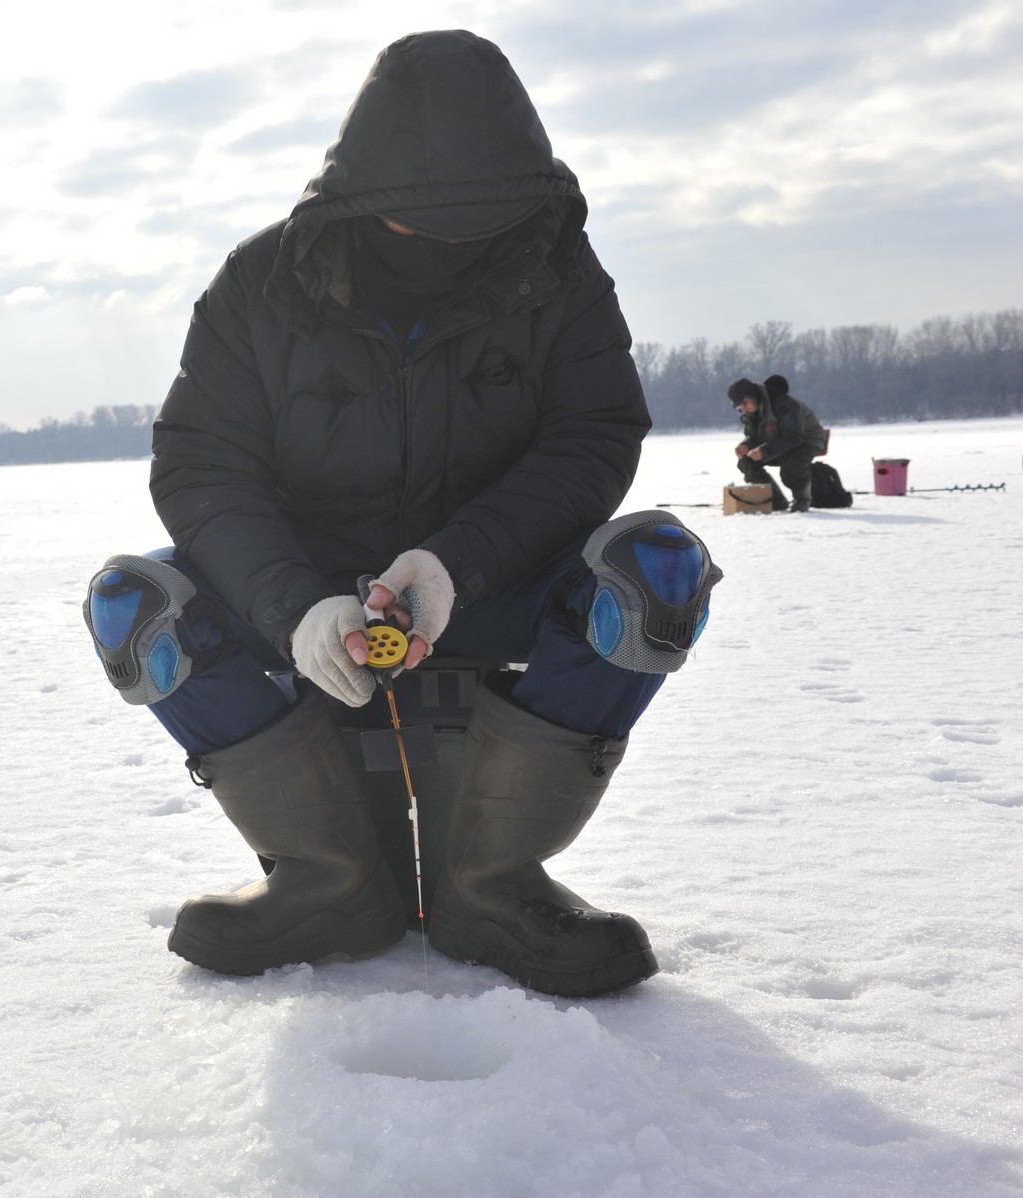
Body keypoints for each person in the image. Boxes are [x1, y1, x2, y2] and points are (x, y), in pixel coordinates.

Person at [82, 31, 721, 998]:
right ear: (361, 199)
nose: (451, 247)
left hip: (490, 579)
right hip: (311, 594)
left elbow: (593, 436)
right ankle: (326, 882)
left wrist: (457, 563)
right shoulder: (259, 284)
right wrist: (295, 605)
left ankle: (493, 888)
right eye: (418, 226)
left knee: (655, 574)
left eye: (483, 223)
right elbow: (203, 464)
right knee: (137, 605)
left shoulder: (559, 269)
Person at [728, 374, 828, 512]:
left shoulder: (783, 403)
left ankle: (802, 499)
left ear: (753, 395)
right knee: (746, 462)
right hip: (779, 441)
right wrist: (747, 445)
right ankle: (775, 501)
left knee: (791, 464)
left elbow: (794, 437)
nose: (744, 409)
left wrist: (764, 451)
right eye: (740, 407)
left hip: (807, 439)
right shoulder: (751, 413)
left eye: (745, 403)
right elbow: (753, 436)